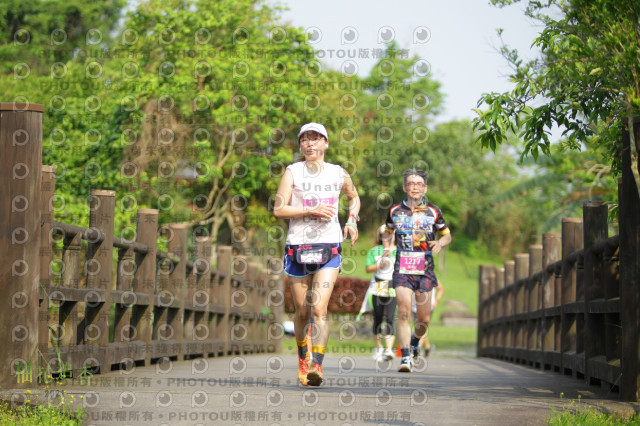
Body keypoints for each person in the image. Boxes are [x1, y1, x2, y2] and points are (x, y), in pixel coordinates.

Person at [273, 122, 360, 386]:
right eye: (305, 140)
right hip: (298, 247)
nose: (310, 143)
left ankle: (317, 367)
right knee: (302, 311)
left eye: (315, 138)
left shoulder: (338, 173)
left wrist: (352, 219)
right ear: (300, 145)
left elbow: (353, 197)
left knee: (319, 308)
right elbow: (279, 209)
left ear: (326, 143)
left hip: (329, 246)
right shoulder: (293, 172)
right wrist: (309, 211)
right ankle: (302, 358)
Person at [382, 168, 451, 372]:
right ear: (405, 187)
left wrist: (440, 243)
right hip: (402, 267)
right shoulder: (395, 211)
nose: (414, 187)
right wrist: (387, 248)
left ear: (425, 188)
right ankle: (404, 358)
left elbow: (447, 235)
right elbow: (387, 233)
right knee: (403, 311)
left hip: (426, 268)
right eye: (411, 183)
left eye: (419, 184)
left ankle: (414, 343)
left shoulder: (434, 211)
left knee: (424, 319)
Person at [365, 225, 397, 361]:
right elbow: (368, 268)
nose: (388, 236)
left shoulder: (400, 251)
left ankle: (389, 349)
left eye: (391, 233)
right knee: (377, 318)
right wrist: (380, 265)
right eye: (385, 234)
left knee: (390, 318)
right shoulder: (375, 250)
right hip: (377, 287)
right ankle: (378, 348)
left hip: (393, 288)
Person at [412, 279, 445, 357]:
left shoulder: (430, 276)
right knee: (419, 328)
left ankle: (417, 348)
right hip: (415, 307)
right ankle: (427, 346)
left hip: (428, 306)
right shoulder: (413, 274)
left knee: (423, 326)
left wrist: (436, 301)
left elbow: (440, 289)